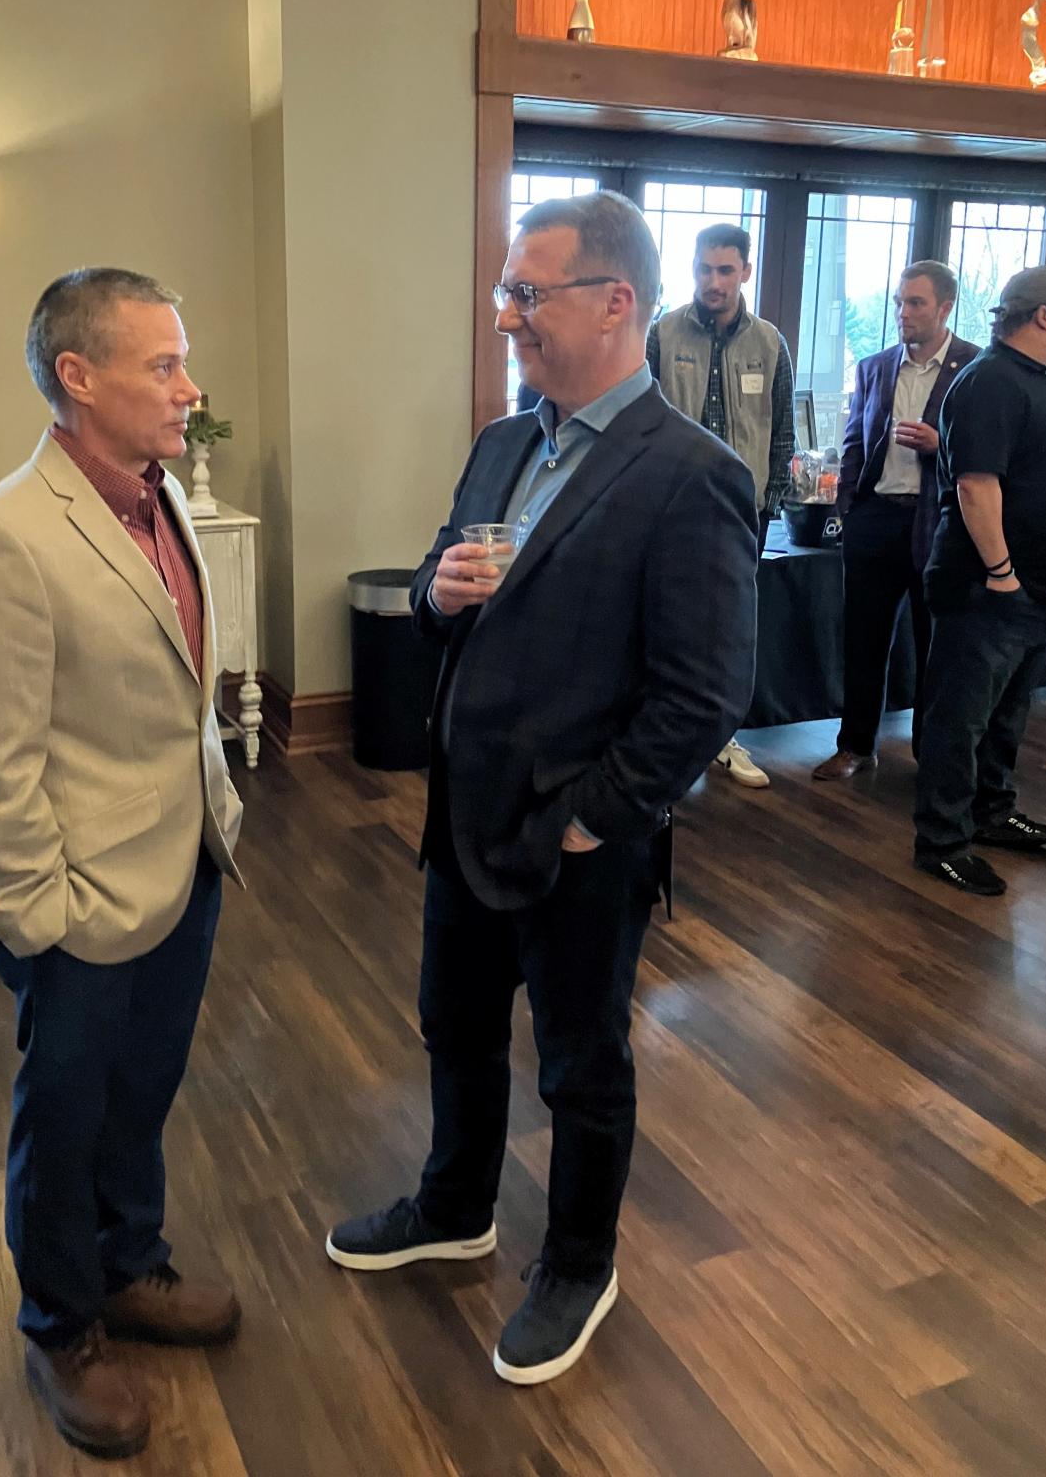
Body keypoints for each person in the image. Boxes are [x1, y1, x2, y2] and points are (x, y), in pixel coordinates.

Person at [326, 192, 756, 1385]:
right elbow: (434, 571)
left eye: (529, 292)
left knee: (579, 1066)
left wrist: (591, 819)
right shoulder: (510, 439)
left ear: (617, 303)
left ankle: (579, 1261)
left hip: (574, 841)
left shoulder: (691, 476)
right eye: (506, 290)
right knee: (453, 1024)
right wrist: (434, 594)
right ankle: (455, 1203)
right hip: (462, 815)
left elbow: (704, 693)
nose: (505, 313)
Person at [0, 269, 246, 1459]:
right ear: (79, 376)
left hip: (186, 865)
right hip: (76, 903)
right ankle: (63, 1323)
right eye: (162, 365)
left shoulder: (157, 499)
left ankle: (128, 1267)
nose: (188, 386)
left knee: (142, 1096)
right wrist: (38, 916)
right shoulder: (2, 539)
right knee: (62, 1118)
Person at [914, 264, 1046, 896]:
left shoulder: (1042, 380)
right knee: (959, 719)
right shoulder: (989, 381)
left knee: (1006, 715)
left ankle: (990, 812)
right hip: (988, 591)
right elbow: (976, 487)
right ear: (1043, 314)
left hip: (1039, 592)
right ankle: (942, 841)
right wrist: (1003, 574)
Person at [814, 262, 979, 781]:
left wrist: (940, 444)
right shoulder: (875, 367)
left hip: (938, 524)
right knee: (862, 640)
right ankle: (856, 746)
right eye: (899, 302)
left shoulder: (975, 368)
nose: (903, 314)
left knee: (936, 645)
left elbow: (987, 456)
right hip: (876, 520)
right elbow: (855, 444)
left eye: (916, 304)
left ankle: (931, 754)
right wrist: (848, 509)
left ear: (945, 307)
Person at [647, 221, 793, 790]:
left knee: (729, 628)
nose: (714, 281)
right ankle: (664, 743)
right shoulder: (663, 334)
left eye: (725, 270)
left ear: (745, 272)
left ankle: (723, 737)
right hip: (672, 505)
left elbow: (781, 431)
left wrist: (771, 500)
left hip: (741, 512)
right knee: (666, 620)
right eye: (705, 269)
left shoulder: (769, 343)